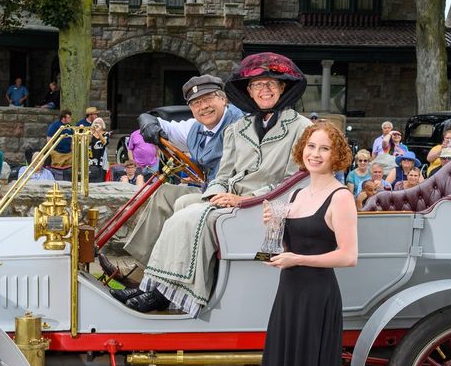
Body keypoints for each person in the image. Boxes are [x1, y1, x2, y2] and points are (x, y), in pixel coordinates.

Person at [122, 53, 313, 314]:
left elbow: (294, 181)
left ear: (283, 88)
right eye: (258, 85)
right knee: (186, 206)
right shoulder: (238, 128)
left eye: (271, 84)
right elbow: (222, 176)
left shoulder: (301, 128)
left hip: (268, 208)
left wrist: (245, 199)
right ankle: (159, 285)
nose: (264, 90)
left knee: (188, 216)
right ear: (249, 91)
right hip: (232, 200)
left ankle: (169, 292)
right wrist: (215, 195)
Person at [233, 123, 357, 366]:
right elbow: (286, 245)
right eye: (310, 146)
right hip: (289, 296)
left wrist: (296, 258)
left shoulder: (341, 197)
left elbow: (348, 256)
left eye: (324, 148)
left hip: (317, 299)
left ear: (337, 156)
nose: (315, 154)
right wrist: (274, 227)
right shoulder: (300, 193)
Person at [122, 76, 245, 264]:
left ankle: (172, 269)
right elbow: (161, 126)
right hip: (207, 190)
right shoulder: (195, 127)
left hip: (231, 195)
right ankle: (142, 263)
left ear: (223, 99)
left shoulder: (241, 124)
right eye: (196, 103)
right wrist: (147, 121)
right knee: (163, 193)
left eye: (208, 99)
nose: (203, 106)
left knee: (185, 203)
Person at [89, 117, 109, 181]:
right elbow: (87, 142)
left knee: (101, 177)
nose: (97, 124)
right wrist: (92, 133)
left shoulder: (106, 133)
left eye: (99, 123)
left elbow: (104, 142)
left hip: (101, 158)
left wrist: (98, 132)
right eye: (96, 123)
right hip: (91, 159)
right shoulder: (90, 133)